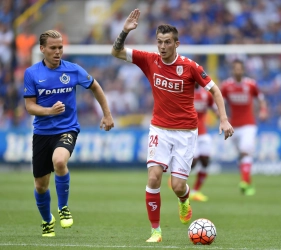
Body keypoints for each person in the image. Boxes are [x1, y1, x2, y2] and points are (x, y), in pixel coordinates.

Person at [111, 9, 234, 243]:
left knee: (177, 186)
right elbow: (115, 51)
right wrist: (125, 31)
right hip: (159, 129)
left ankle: (184, 198)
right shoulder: (149, 60)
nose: (162, 46)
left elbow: (215, 90)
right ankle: (155, 232)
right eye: (159, 42)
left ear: (176, 43)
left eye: (167, 42)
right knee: (154, 177)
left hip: (186, 132)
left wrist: (224, 118)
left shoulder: (190, 67)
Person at [23, 30, 114, 237]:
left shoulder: (73, 70)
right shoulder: (32, 73)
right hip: (42, 133)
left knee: (60, 161)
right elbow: (29, 106)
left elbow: (96, 87)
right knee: (40, 186)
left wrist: (107, 114)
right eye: (53, 48)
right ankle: (47, 221)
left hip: (67, 129)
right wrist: (48, 111)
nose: (57, 52)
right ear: (42, 49)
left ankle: (63, 208)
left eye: (60, 47)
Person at [220, 59, 267, 196]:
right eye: (235, 69)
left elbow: (261, 98)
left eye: (240, 69)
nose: (238, 71)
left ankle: (244, 182)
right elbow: (219, 100)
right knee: (242, 155)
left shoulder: (251, 84)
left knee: (246, 151)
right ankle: (248, 183)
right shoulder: (226, 86)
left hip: (249, 124)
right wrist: (221, 115)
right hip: (233, 126)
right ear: (232, 70)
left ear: (243, 70)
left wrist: (263, 111)